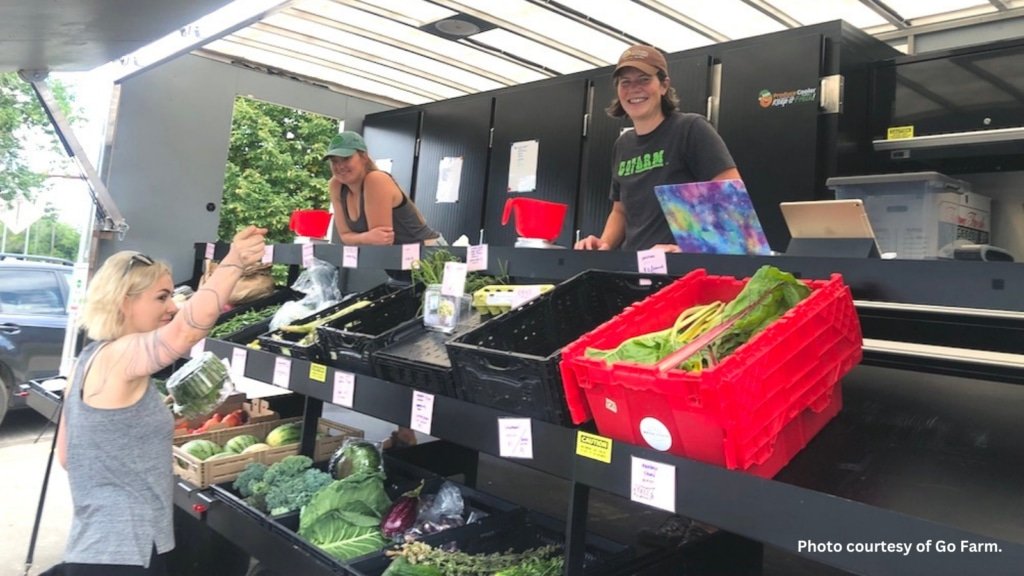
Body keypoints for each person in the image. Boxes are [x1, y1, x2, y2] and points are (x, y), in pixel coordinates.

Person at [54, 226, 267, 575]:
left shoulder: (89, 358)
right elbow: (186, 331)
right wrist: (233, 262)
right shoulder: (122, 354)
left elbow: (68, 456)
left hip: (93, 547)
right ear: (124, 300)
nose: (172, 307)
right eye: (161, 297)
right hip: (126, 554)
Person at [575, 44, 742, 253]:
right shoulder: (623, 144)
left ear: (664, 85)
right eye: (625, 82)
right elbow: (620, 211)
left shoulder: (690, 129)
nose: (634, 88)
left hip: (682, 271)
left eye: (644, 79)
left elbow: (732, 198)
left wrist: (687, 250)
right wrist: (604, 243)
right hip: (634, 269)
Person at [325, 131, 442, 246]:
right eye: (334, 161)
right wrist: (366, 237)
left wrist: (360, 238)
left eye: (346, 158)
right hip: (396, 257)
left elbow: (381, 243)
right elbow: (345, 236)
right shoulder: (336, 185)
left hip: (429, 254)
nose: (340, 166)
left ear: (364, 157)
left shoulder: (375, 180)